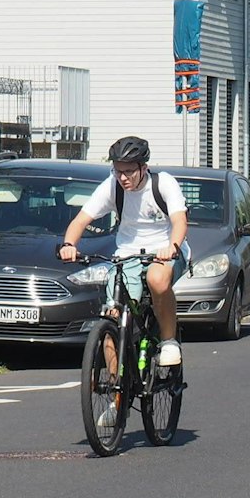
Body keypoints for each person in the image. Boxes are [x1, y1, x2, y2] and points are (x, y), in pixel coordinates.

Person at [58, 135, 189, 368]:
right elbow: (80, 221)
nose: (123, 177)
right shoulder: (111, 186)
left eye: (129, 171)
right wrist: (69, 245)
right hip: (127, 254)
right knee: (112, 315)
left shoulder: (163, 183)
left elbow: (180, 221)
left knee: (156, 279)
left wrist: (173, 247)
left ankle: (169, 342)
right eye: (118, 171)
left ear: (143, 168)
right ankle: (115, 390)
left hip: (166, 250)